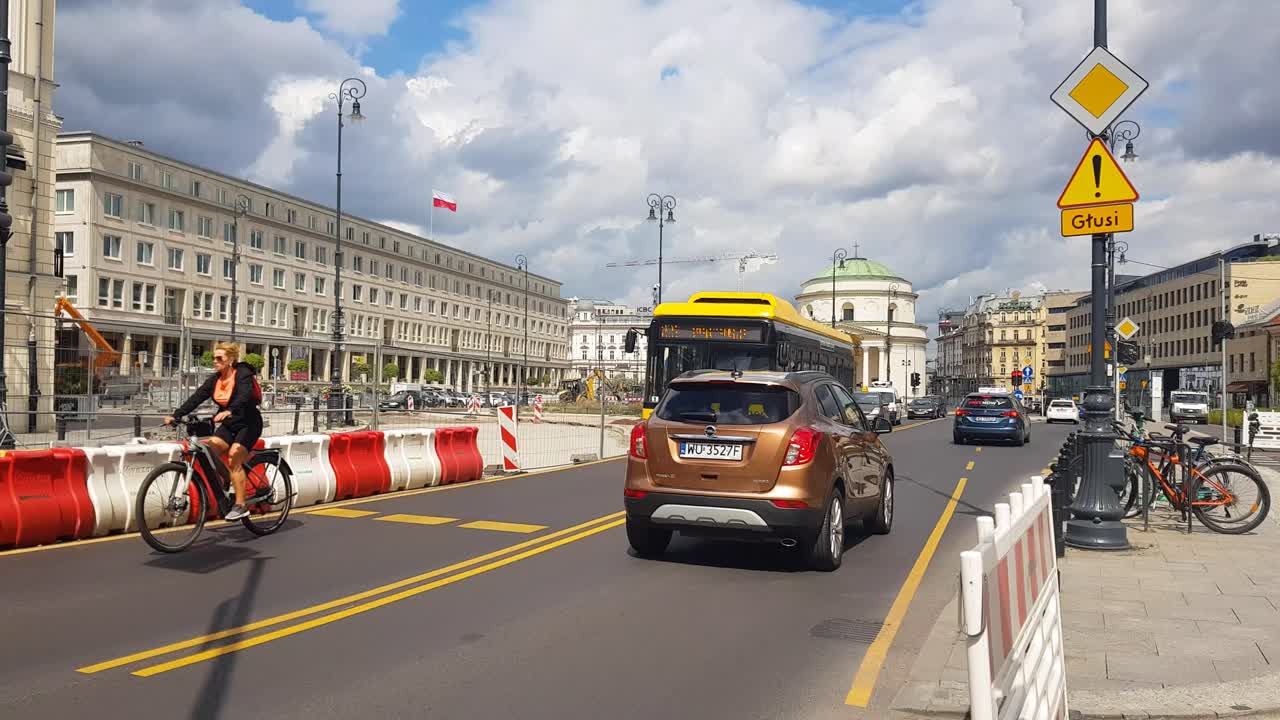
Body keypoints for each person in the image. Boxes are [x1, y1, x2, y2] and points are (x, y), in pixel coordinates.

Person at [164, 342, 264, 521]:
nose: (215, 361)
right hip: (229, 423)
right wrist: (176, 414)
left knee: (234, 457)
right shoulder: (215, 380)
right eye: (214, 358)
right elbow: (197, 397)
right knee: (210, 449)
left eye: (219, 358)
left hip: (249, 423)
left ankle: (241, 505)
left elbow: (244, 395)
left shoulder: (242, 374)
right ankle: (229, 478)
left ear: (231, 360)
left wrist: (230, 410)